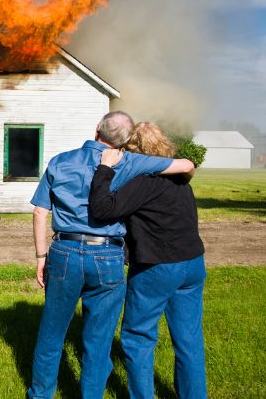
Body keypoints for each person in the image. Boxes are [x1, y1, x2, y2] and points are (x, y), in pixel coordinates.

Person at [28, 111, 195, 399]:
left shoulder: (60, 161)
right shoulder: (130, 162)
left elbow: (40, 211)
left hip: (64, 252)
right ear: (125, 141)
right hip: (107, 255)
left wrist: (41, 256)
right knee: (99, 339)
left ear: (96, 130)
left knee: (52, 334)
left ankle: (40, 394)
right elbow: (184, 165)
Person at [88, 122, 206, 399]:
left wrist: (104, 171)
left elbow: (103, 210)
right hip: (193, 264)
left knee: (138, 338)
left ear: (132, 149)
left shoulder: (144, 181)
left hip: (157, 267)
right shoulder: (180, 179)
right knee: (189, 340)